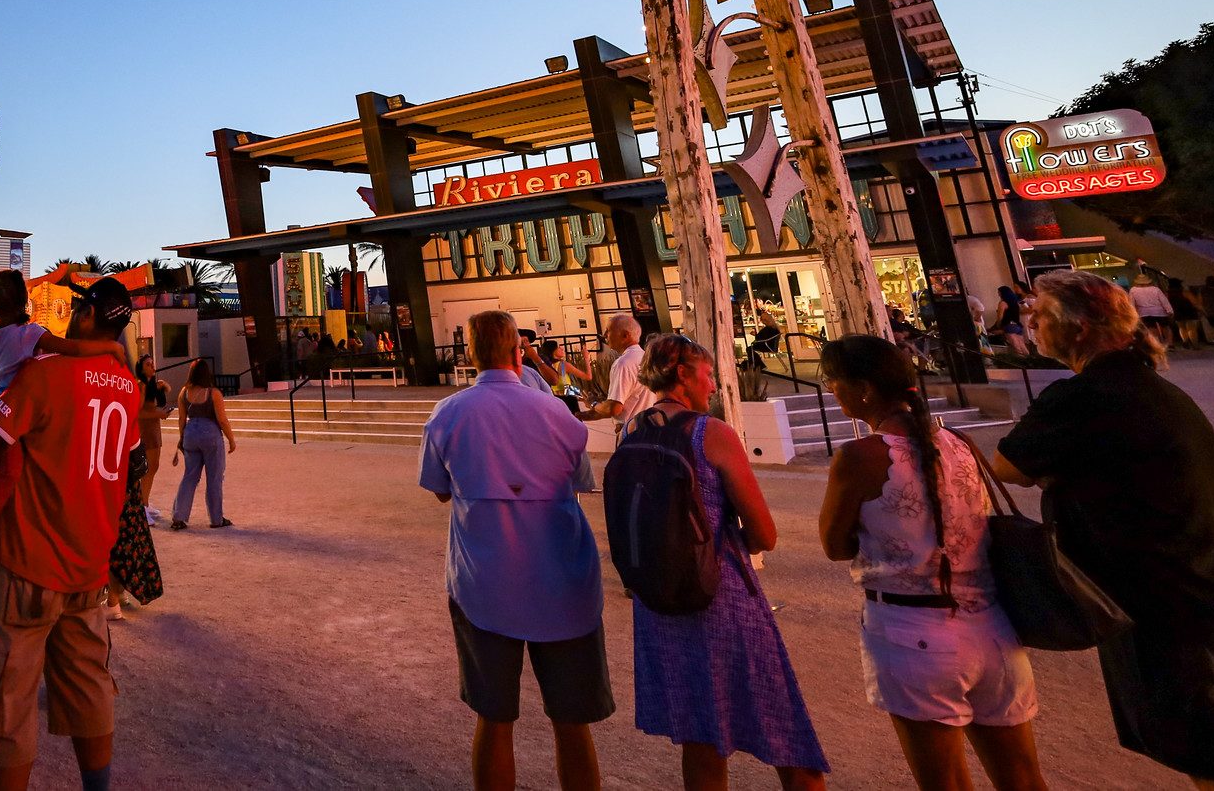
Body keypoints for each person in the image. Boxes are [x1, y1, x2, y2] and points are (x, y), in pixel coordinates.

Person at [993, 269, 1214, 788]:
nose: (1032, 325)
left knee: (1197, 740)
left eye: (1041, 316)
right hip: (1186, 583)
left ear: (1078, 328)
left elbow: (1009, 466)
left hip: (1155, 597)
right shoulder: (1148, 387)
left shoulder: (1085, 395)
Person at [816, 336, 1045, 791]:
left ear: (862, 388)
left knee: (945, 783)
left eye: (833, 381)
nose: (830, 391)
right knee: (1022, 776)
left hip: (911, 633)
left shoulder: (860, 457)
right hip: (993, 626)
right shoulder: (959, 442)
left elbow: (835, 545)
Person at [624, 336, 828, 789]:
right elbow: (765, 535)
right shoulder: (710, 432)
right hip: (722, 594)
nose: (714, 383)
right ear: (683, 375)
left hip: (662, 601)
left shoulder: (632, 430)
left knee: (702, 736)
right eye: (708, 373)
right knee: (788, 734)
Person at [421, 311, 610, 791]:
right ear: (517, 352)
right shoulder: (556, 415)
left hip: (483, 579)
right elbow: (581, 482)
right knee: (571, 721)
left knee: (494, 717)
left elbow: (440, 489)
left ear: (471, 354)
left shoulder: (448, 413)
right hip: (562, 579)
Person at [0, 319, 142, 791]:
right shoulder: (127, 384)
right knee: (89, 683)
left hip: (26, 561)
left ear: (82, 319)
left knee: (5, 696)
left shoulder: (43, 373)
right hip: (89, 565)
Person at [170, 359, 237, 530]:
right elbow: (222, 419)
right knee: (214, 477)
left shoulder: (184, 392)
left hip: (191, 434)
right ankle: (216, 519)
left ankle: (179, 516)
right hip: (210, 434)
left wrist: (182, 438)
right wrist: (231, 439)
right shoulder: (213, 393)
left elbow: (181, 419)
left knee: (190, 476)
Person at [582, 314, 647, 425]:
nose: (604, 335)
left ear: (625, 335)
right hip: (649, 429)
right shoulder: (646, 357)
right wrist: (581, 415)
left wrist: (592, 403)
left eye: (608, 331)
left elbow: (614, 408)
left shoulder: (623, 363)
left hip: (631, 433)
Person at [133, 355, 170, 520]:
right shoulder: (140, 386)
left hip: (154, 428)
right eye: (148, 365)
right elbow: (137, 412)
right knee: (148, 468)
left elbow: (162, 397)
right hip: (146, 428)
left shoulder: (151, 385)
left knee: (154, 466)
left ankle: (145, 503)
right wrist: (158, 413)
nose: (152, 367)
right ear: (141, 369)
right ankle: (142, 506)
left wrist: (164, 387)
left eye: (152, 364)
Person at [1128, 268, 1176, 345]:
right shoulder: (1155, 289)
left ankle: (1156, 344)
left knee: (1151, 328)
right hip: (1160, 312)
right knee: (1166, 327)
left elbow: (1132, 303)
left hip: (1144, 313)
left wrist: (1133, 313)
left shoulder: (1133, 290)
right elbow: (1164, 301)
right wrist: (1169, 310)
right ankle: (1170, 343)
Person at [989, 286, 1030, 357]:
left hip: (1009, 326)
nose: (998, 294)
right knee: (1022, 346)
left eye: (999, 292)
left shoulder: (1003, 303)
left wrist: (998, 325)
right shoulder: (1015, 303)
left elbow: (1000, 317)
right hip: (1018, 326)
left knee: (1017, 349)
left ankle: (1022, 364)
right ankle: (1030, 361)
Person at [1169, 277, 1206, 348]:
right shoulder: (1185, 292)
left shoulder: (1168, 293)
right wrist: (1202, 310)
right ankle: (1195, 344)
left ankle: (1185, 341)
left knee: (1181, 327)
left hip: (1177, 312)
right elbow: (1195, 302)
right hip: (1189, 311)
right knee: (1191, 328)